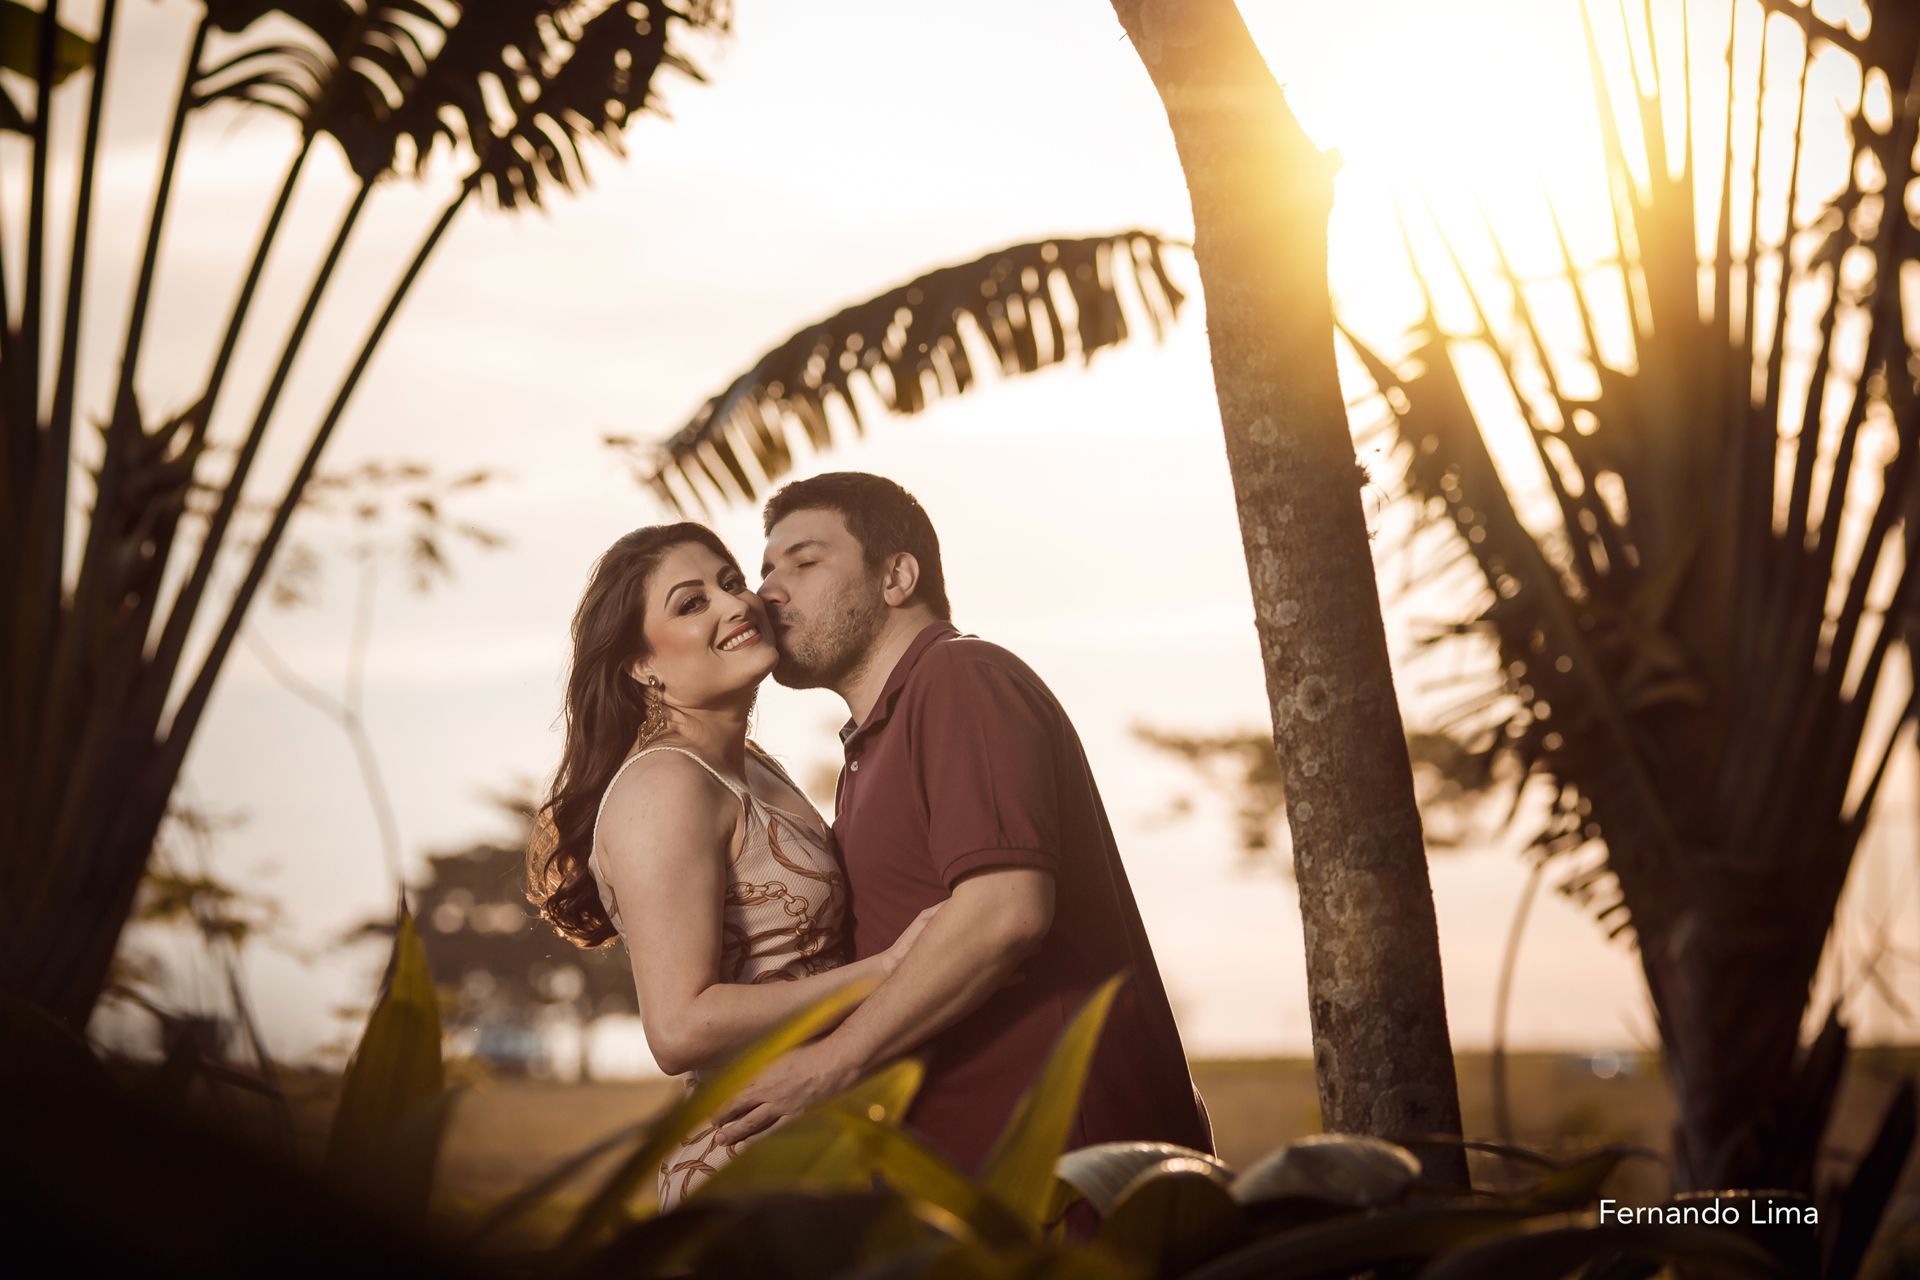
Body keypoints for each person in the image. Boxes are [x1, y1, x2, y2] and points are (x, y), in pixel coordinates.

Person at [713, 473, 1213, 1175]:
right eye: (766, 568)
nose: (767, 591)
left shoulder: (960, 678)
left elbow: (1005, 912)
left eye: (803, 561)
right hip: (981, 1175)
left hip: (1066, 1165)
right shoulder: (875, 740)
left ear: (897, 577)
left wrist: (828, 1066)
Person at [526, 522, 936, 1209]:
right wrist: (887, 971)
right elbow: (679, 1028)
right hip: (746, 1171)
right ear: (640, 665)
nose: (735, 605)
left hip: (828, 1141)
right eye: (691, 604)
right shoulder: (665, 786)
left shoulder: (752, 766)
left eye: (731, 582)